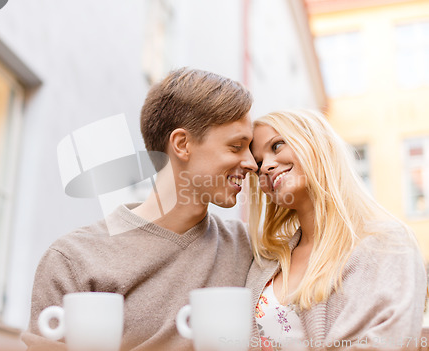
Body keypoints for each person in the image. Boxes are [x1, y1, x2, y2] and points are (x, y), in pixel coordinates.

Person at [22, 67, 259, 351]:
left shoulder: (250, 248)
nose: (252, 163)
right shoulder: (72, 258)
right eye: (236, 147)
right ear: (182, 145)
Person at [246, 109, 427, 350]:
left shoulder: (388, 244)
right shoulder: (266, 263)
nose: (266, 166)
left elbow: (391, 340)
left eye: (277, 146)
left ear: (317, 144)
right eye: (258, 164)